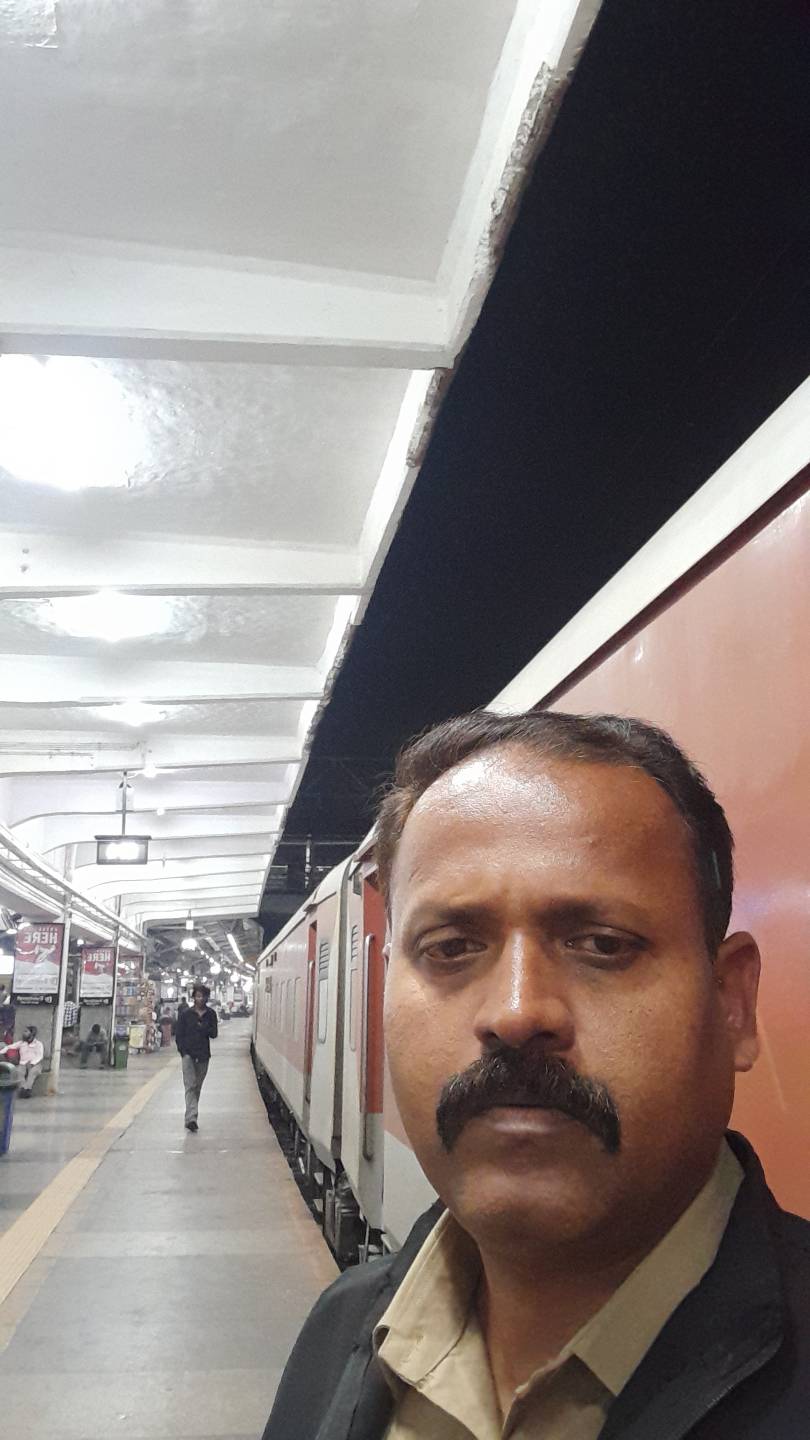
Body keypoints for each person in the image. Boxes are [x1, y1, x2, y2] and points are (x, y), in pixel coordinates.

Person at [263, 710, 809, 1440]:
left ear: (732, 1004)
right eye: (451, 948)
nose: (517, 1012)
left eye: (602, 944)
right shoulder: (338, 1333)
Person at [176, 982, 217, 1132]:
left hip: (203, 1055)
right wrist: (183, 1052)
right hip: (188, 1054)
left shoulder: (211, 1014)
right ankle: (191, 1118)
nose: (200, 999)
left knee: (197, 1086)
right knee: (190, 1085)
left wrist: (204, 1027)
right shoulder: (186, 1014)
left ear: (206, 998)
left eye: (202, 996)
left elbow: (214, 1034)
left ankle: (191, 1114)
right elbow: (179, 1034)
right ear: (193, 997)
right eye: (197, 996)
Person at [16, 1025, 44, 1096]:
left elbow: (40, 1056)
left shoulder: (39, 1044)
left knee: (32, 1072)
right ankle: (23, 1088)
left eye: (26, 1031)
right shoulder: (22, 1044)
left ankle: (27, 1089)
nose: (23, 1033)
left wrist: (32, 1063)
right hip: (23, 1064)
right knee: (19, 1072)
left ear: (32, 1033)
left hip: (36, 1064)